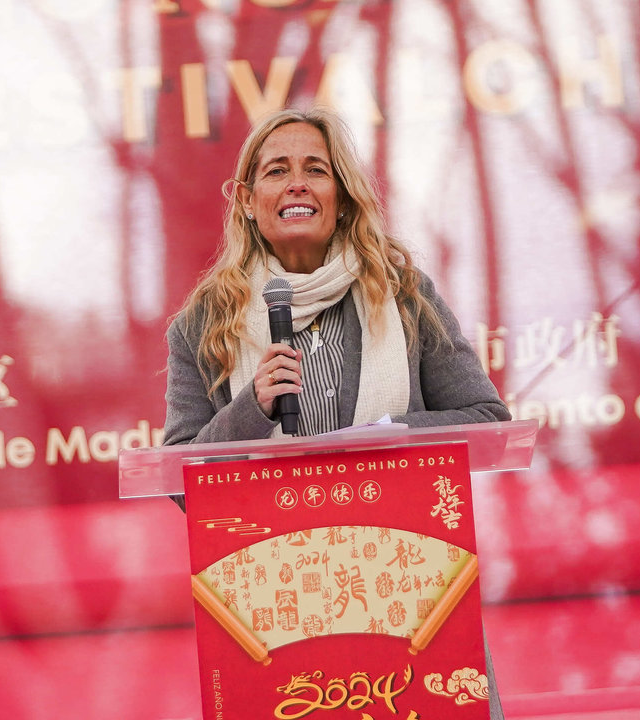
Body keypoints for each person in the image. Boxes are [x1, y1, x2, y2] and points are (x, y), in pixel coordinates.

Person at [162, 106, 510, 719]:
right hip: (276, 614)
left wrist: (380, 440)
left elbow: (485, 419)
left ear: (342, 197)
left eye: (315, 169)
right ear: (247, 199)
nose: (296, 183)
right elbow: (181, 479)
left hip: (412, 596)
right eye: (276, 171)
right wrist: (253, 407)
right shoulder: (201, 324)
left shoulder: (402, 295)